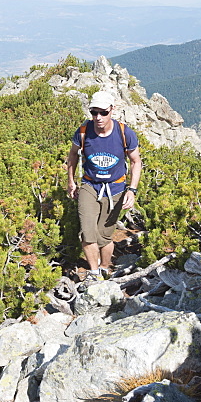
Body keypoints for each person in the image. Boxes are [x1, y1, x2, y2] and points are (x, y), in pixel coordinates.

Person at [65, 90, 142, 283]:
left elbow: (135, 161)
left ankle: (105, 267)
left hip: (115, 189)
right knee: (88, 232)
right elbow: (73, 155)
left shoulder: (124, 133)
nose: (98, 117)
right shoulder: (83, 131)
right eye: (94, 112)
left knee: (105, 236)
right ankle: (94, 272)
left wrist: (131, 190)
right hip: (90, 186)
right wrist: (71, 181)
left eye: (103, 112)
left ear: (112, 110)